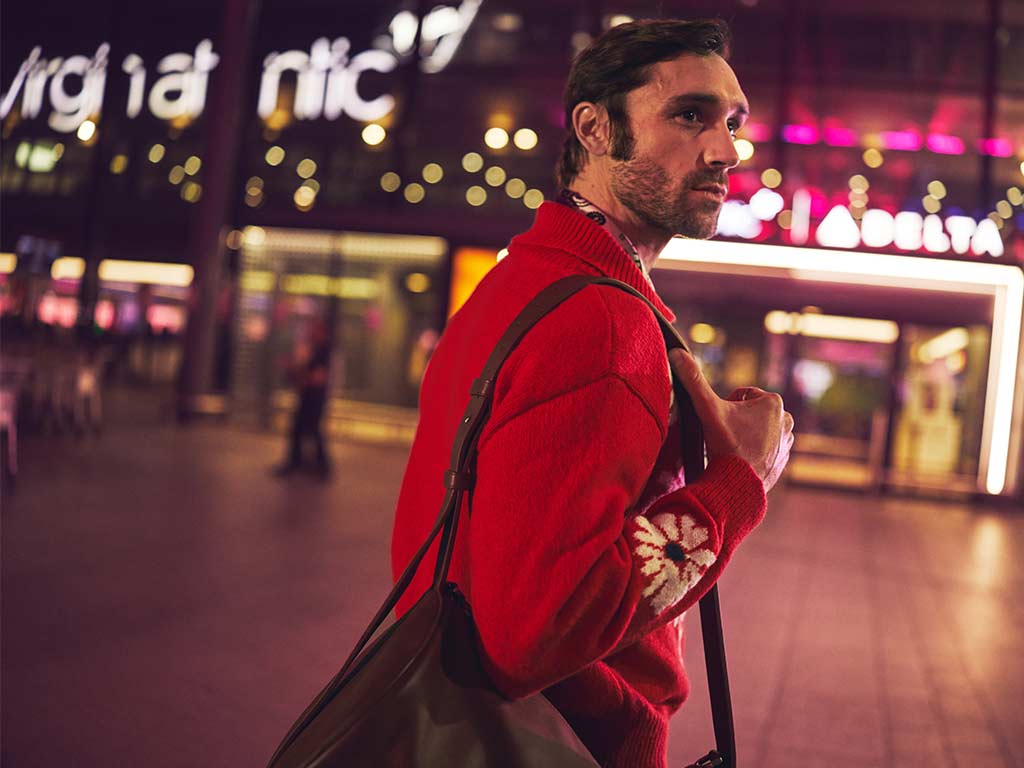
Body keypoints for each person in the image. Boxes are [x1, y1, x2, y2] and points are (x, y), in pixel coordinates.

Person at [390, 19, 794, 768]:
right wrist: (738, 484)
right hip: (555, 739)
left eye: (732, 123)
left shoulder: (521, 280)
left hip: (448, 706)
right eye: (689, 115)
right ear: (595, 128)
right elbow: (537, 631)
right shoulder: (602, 321)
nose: (726, 150)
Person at [275, 318, 332, 478]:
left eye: (315, 330)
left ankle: (318, 466)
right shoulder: (315, 349)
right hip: (309, 396)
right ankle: (307, 464)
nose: (311, 333)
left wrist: (297, 371)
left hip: (314, 398)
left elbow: (318, 377)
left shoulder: (323, 351)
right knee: (302, 430)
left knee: (309, 430)